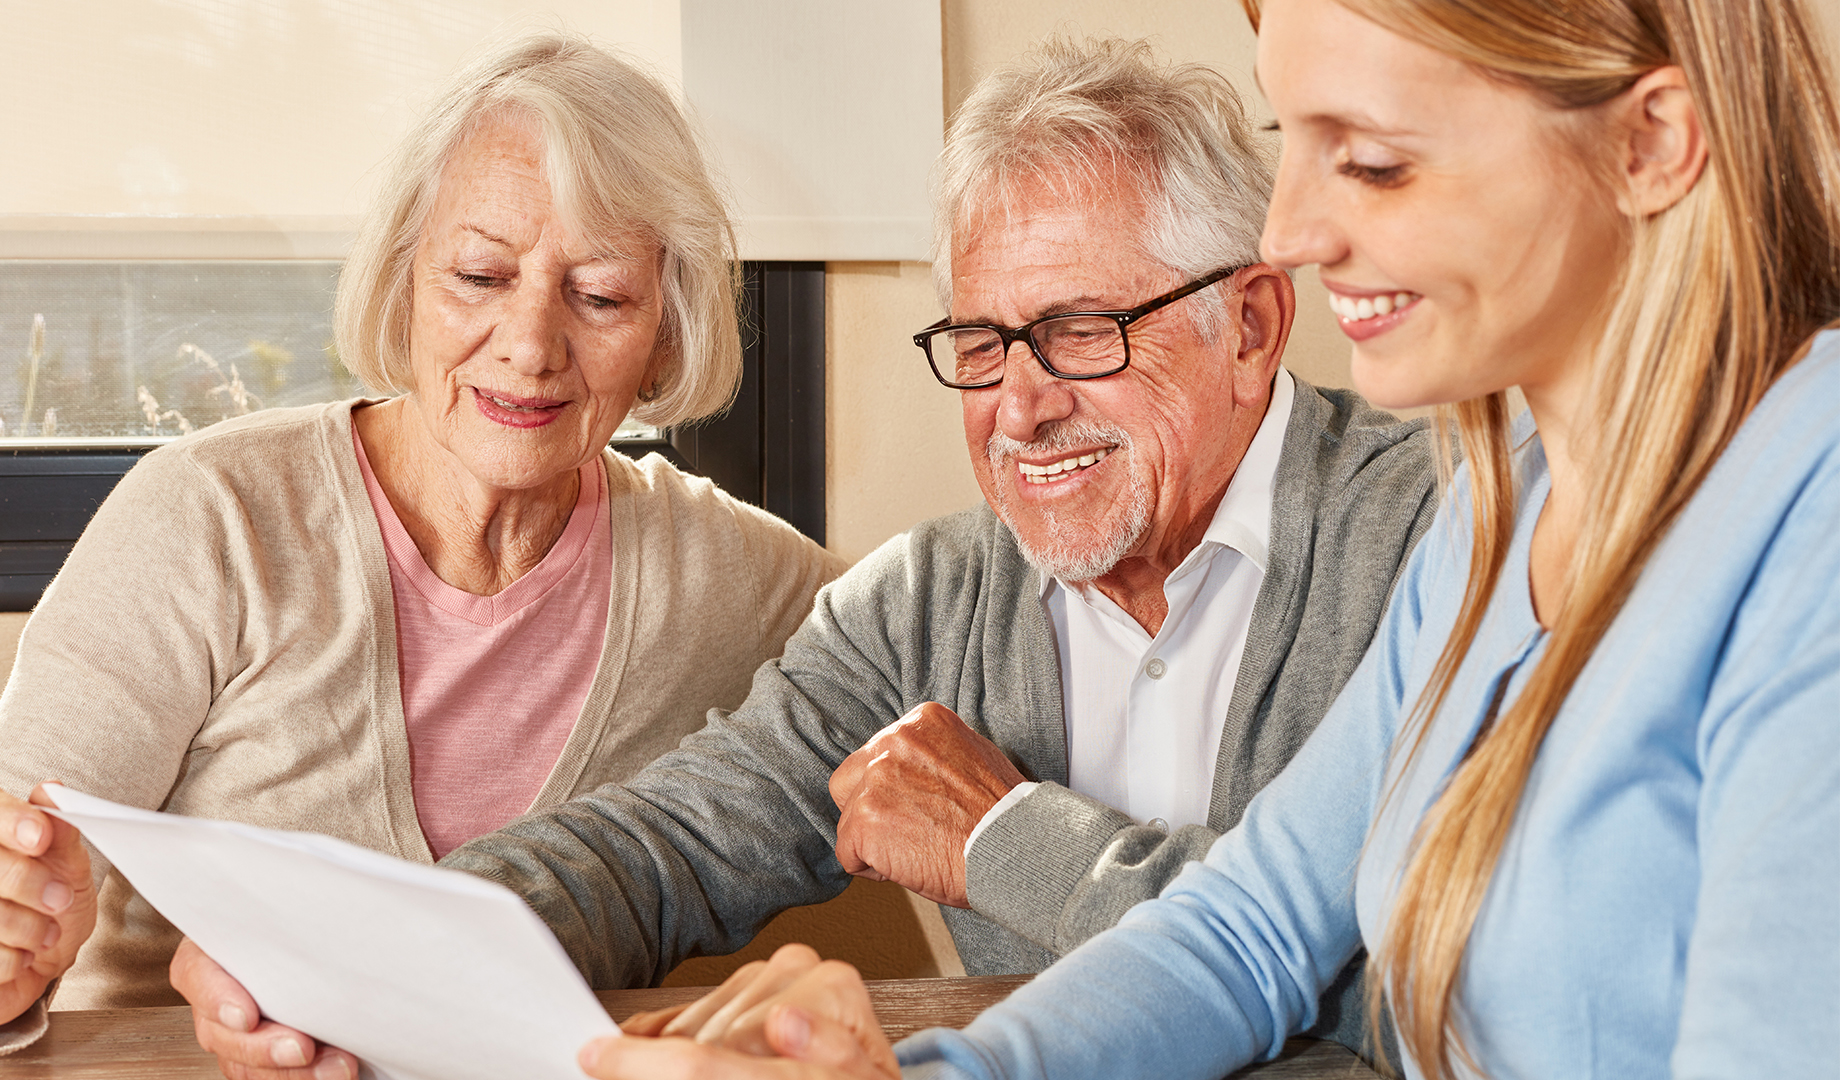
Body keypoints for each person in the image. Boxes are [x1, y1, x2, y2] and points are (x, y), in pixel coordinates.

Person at [575, 0, 1840, 1076]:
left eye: (1378, 161)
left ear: (1652, 143)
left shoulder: (1809, 513)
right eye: (1299, 144)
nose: (1290, 232)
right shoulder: (1502, 509)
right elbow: (1251, 934)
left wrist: (1013, 846)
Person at [173, 39, 1437, 1080]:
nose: (1021, 406)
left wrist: (1003, 838)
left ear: (1252, 326)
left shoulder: (1437, 540)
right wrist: (361, 952)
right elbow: (664, 846)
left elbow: (1442, 983)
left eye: (1079, 333)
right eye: (986, 343)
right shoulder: (928, 601)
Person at [0, 31, 844, 1059]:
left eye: (600, 296)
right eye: (480, 275)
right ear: (403, 281)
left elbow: (943, 656)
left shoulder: (730, 576)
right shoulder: (213, 518)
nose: (532, 344)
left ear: (667, 331)